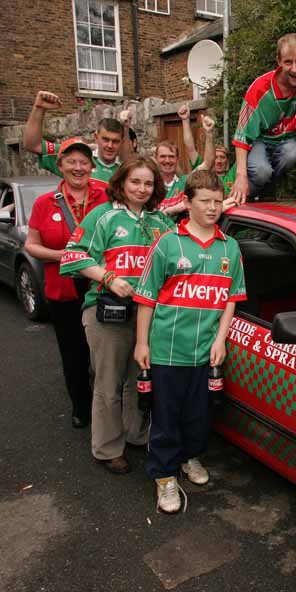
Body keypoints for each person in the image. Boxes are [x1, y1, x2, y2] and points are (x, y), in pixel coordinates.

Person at [134, 170, 246, 513]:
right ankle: (165, 477)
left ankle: (190, 458)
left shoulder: (231, 247)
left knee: (199, 417)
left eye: (217, 201)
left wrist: (221, 339)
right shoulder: (168, 243)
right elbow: (147, 297)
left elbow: (231, 298)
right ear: (187, 203)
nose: (213, 208)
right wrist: (142, 344)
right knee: (165, 417)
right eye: (205, 201)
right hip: (167, 352)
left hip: (204, 354)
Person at [60, 157, 174, 474]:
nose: (141, 188)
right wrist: (108, 277)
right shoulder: (103, 215)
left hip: (146, 315)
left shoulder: (161, 222)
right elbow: (72, 256)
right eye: (135, 181)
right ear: (122, 182)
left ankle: (137, 434)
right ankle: (108, 448)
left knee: (138, 379)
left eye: (148, 183)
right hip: (106, 313)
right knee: (108, 384)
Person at [24, 138, 108, 429]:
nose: (78, 167)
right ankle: (81, 407)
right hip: (62, 290)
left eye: (84, 162)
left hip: (101, 289)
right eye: (71, 161)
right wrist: (63, 255)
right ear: (59, 166)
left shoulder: (107, 195)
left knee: (105, 354)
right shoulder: (44, 204)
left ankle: (107, 408)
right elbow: (31, 245)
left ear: (92, 166)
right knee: (73, 353)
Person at [230, 33, 296, 204]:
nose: (294, 69)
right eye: (288, 62)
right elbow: (241, 137)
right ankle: (246, 197)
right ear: (279, 61)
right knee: (261, 171)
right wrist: (241, 176)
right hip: (260, 140)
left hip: (289, 141)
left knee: (292, 152)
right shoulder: (259, 89)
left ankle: (282, 191)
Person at [23, 91, 129, 185]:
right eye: (105, 140)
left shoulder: (126, 171)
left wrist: (126, 127)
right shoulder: (76, 155)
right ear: (96, 137)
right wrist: (39, 108)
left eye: (115, 141)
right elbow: (33, 145)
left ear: (121, 142)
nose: (110, 146)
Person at [156, 108, 216, 216]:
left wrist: (209, 133)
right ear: (156, 158)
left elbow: (208, 163)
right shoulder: (149, 184)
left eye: (171, 156)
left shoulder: (185, 182)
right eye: (163, 156)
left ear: (177, 159)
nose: (167, 160)